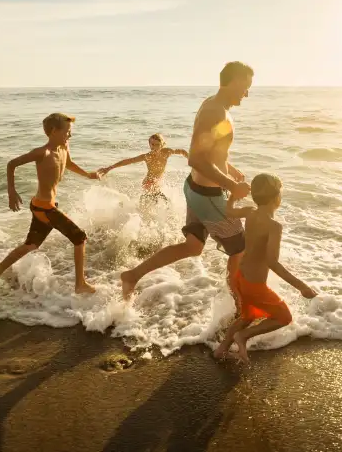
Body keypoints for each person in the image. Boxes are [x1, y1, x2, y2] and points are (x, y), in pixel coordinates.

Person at [120, 61, 254, 301]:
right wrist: (232, 185)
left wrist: (230, 170)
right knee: (241, 248)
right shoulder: (216, 111)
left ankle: (132, 275)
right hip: (207, 195)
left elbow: (211, 152)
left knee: (193, 247)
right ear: (234, 81)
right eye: (246, 86)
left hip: (196, 189)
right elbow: (195, 158)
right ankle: (239, 304)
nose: (247, 93)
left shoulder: (213, 105)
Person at [0, 113, 99, 294]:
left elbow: (68, 164)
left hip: (43, 205)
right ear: (54, 131)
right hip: (44, 207)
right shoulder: (42, 152)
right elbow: (11, 164)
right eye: (67, 132)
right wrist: (11, 192)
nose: (70, 135)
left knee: (31, 245)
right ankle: (80, 285)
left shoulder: (64, 147)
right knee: (80, 238)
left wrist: (88, 174)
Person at [214, 174, 317, 363]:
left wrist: (233, 195)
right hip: (255, 285)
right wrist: (301, 286)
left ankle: (221, 349)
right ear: (276, 198)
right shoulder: (274, 226)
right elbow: (272, 262)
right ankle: (243, 336)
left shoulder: (250, 212)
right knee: (284, 317)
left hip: (241, 276)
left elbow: (229, 211)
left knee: (247, 316)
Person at [98, 133, 188, 205]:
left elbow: (182, 151)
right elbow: (128, 161)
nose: (153, 147)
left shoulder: (167, 152)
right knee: (161, 201)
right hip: (148, 183)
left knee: (155, 202)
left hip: (157, 182)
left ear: (162, 145)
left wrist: (191, 160)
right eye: (152, 144)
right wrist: (108, 168)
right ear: (149, 144)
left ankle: (142, 209)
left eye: (157, 145)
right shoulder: (147, 157)